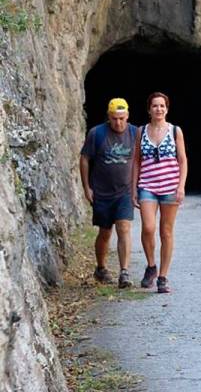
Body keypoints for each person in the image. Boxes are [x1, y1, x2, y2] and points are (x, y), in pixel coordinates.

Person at [131, 92, 187, 294]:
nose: (159, 109)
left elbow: (182, 160)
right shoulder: (141, 131)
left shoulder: (175, 131)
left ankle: (163, 277)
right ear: (149, 109)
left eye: (162, 106)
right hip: (147, 185)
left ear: (167, 109)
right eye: (155, 106)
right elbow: (136, 160)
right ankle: (151, 265)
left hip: (170, 187)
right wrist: (134, 188)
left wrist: (181, 186)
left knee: (166, 231)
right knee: (148, 227)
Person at [80, 98, 138, 288]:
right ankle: (101, 268)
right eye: (114, 119)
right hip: (102, 193)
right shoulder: (96, 133)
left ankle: (124, 272)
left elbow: (141, 161)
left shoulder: (135, 133)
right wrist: (86, 187)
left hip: (125, 192)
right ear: (108, 117)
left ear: (127, 116)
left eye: (122, 118)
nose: (118, 123)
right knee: (105, 233)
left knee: (124, 228)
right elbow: (85, 159)